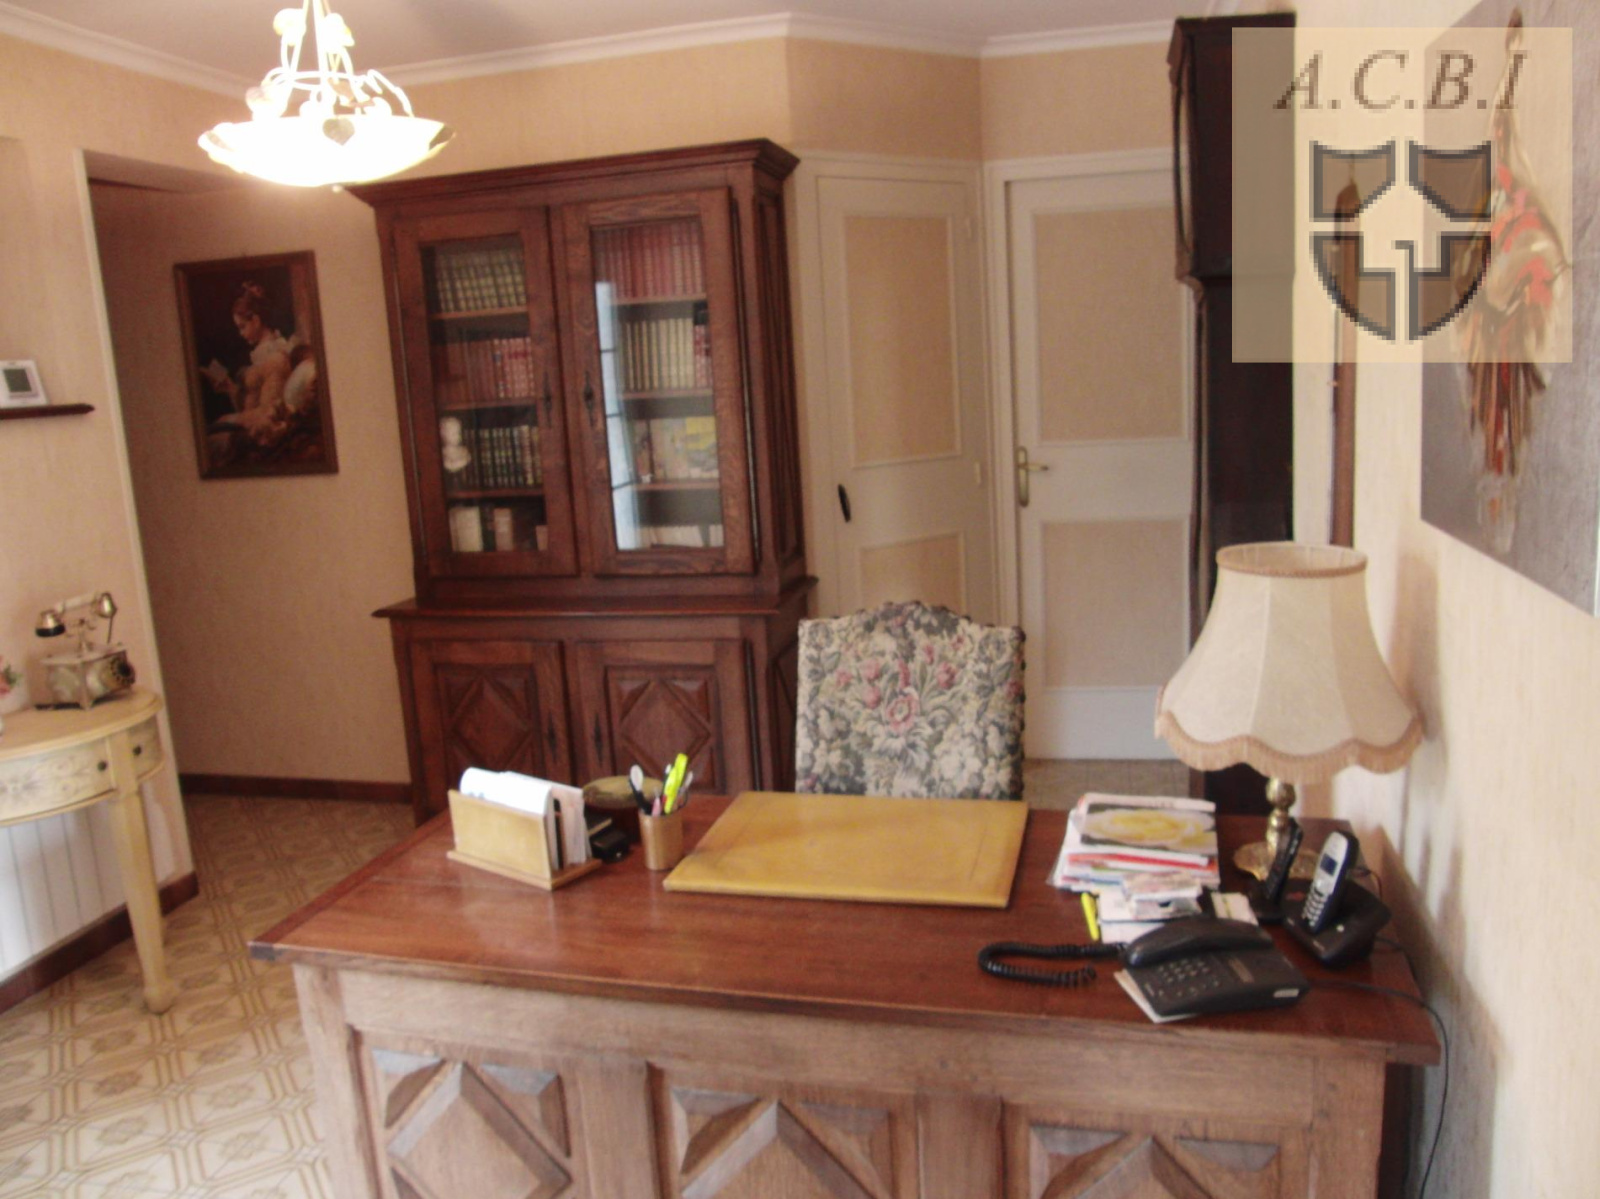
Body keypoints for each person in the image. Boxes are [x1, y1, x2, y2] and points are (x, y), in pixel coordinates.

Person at [202, 281, 318, 451]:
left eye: (242, 327)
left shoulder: (275, 357)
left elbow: (268, 413)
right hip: (252, 427)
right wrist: (230, 389)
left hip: (264, 433)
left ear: (256, 321)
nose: (241, 334)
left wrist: (229, 419)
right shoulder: (262, 356)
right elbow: (252, 405)